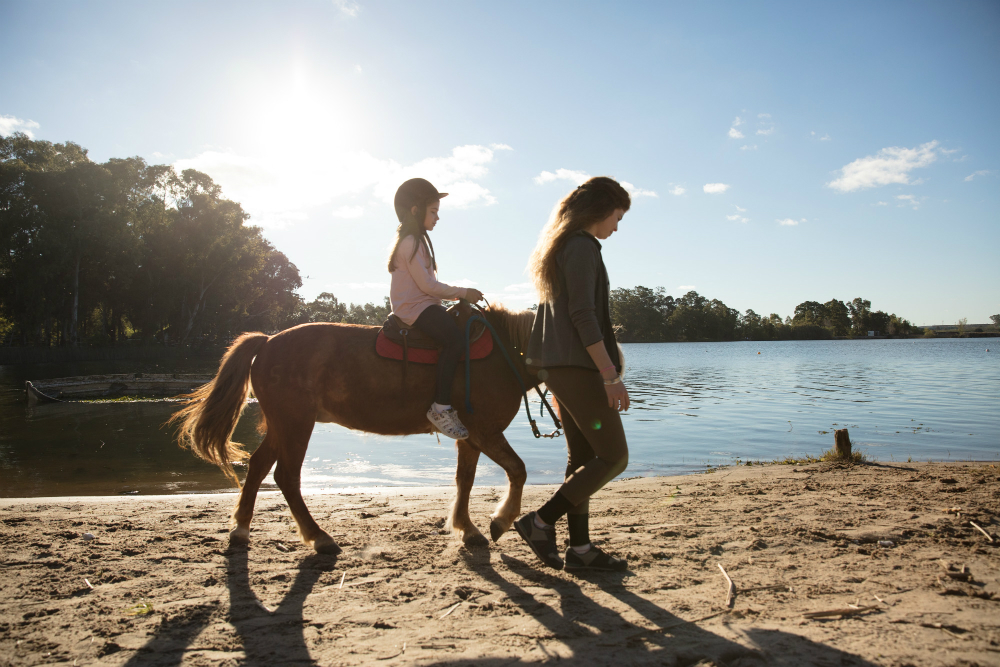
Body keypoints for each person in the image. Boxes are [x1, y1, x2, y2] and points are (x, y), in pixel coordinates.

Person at [515, 176, 631, 571]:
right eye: (617, 217)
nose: (617, 227)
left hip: (559, 365)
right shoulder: (581, 246)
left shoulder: (565, 245)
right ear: (600, 210)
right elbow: (583, 315)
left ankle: (580, 551)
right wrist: (610, 376)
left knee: (582, 458)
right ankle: (539, 522)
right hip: (576, 366)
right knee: (614, 457)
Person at [388, 178, 484, 440]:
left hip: (424, 305)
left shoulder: (417, 241)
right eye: (433, 211)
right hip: (415, 308)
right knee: (454, 341)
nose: (437, 218)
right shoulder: (411, 242)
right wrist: (464, 292)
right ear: (415, 210)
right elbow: (428, 286)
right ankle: (440, 408)